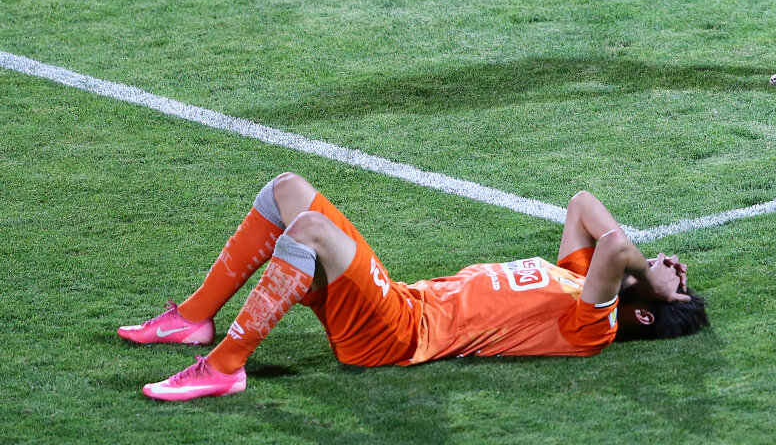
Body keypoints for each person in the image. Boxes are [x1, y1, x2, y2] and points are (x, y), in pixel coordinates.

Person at [119, 172, 708, 401]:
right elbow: (582, 204)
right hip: (399, 303)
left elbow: (614, 247)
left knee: (309, 230)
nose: (664, 263)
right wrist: (649, 276)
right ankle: (194, 318)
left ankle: (225, 368)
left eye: (671, 278)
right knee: (287, 191)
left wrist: (650, 280)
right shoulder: (579, 280)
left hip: (399, 334)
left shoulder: (593, 327)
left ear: (646, 311)